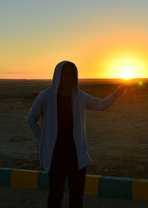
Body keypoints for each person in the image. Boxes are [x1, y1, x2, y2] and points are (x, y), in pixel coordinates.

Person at [27, 61, 125, 208]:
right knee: (56, 194)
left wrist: (120, 91)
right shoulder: (45, 96)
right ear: (58, 75)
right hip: (55, 154)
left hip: (76, 153)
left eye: (71, 74)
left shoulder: (79, 96)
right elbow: (31, 118)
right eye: (64, 73)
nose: (68, 77)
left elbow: (102, 105)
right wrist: (43, 139)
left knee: (77, 195)